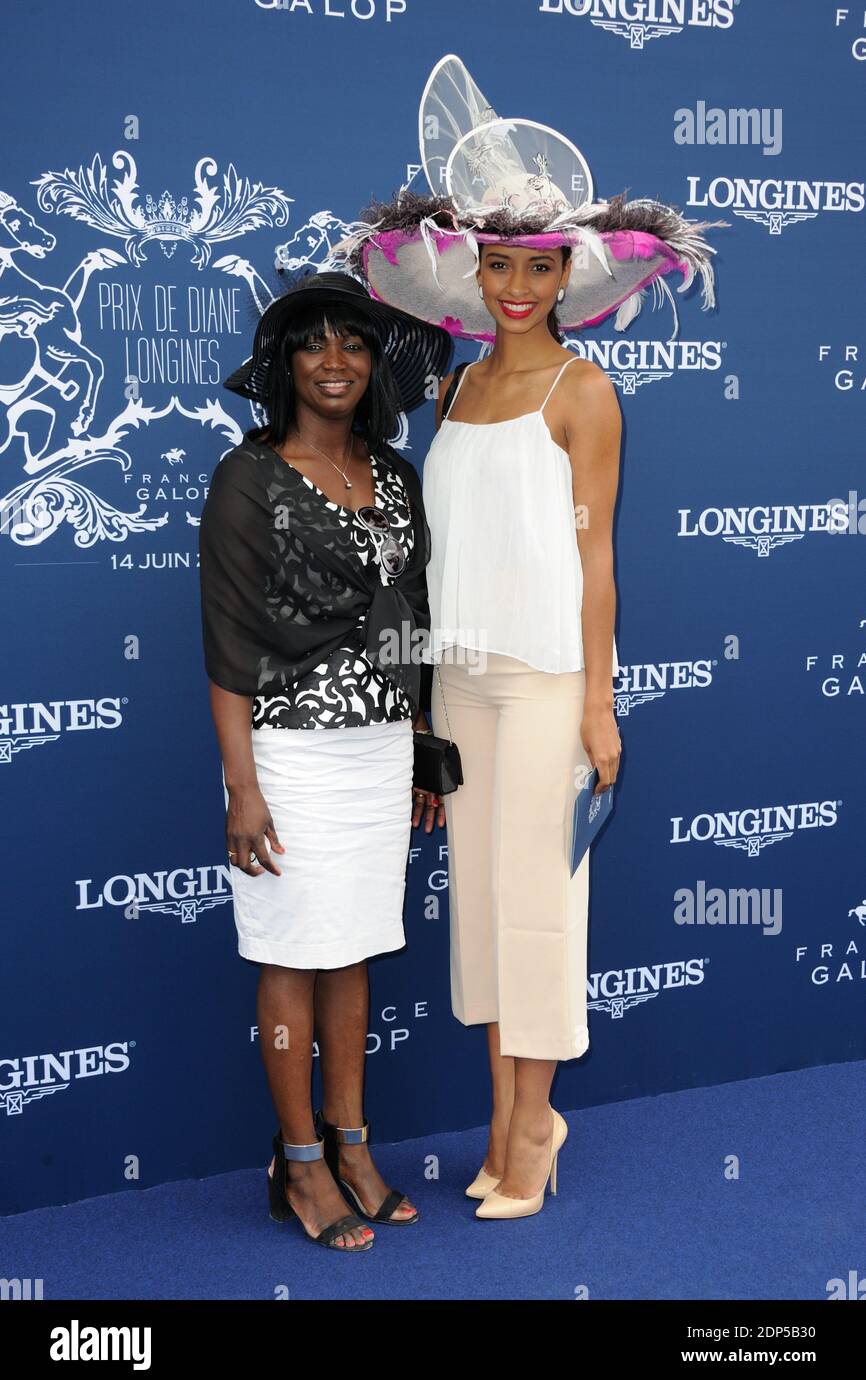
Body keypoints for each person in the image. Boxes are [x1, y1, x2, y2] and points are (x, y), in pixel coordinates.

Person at [342, 54, 724, 1219]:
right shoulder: (451, 393)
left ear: (569, 273)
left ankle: (529, 1129)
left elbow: (594, 554)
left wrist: (600, 704)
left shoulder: (582, 390)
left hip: (547, 679)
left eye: (537, 266)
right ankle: (516, 1118)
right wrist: (416, 706)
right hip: (456, 683)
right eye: (497, 264)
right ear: (470, 270)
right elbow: (433, 554)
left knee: (541, 907)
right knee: (482, 907)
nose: (516, 285)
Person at [199, 271, 452, 1250]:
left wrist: (423, 747)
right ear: (285, 365)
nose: (336, 359)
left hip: (379, 751)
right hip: (286, 753)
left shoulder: (396, 474)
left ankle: (351, 1145)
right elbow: (225, 640)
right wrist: (244, 787)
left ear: (374, 361)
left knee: (352, 946)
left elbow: (412, 621)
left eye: (354, 342)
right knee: (289, 952)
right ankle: (297, 1164)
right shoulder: (247, 477)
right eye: (315, 344)